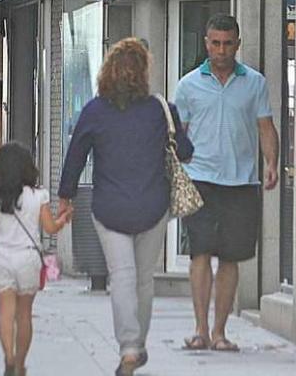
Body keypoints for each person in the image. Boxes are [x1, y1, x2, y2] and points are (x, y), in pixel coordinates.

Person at [57, 38, 194, 376]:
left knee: (121, 277)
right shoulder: (160, 109)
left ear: (108, 71)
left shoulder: (94, 111)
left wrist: (65, 197)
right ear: (144, 72)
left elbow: (74, 157)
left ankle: (129, 347)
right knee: (143, 280)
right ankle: (139, 344)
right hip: (153, 206)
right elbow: (186, 151)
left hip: (109, 208)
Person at [174, 14, 279, 352]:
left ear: (237, 44)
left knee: (231, 257)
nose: (221, 50)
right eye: (215, 43)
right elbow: (179, 136)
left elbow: (265, 127)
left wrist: (272, 163)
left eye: (227, 43)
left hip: (241, 182)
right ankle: (201, 330)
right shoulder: (188, 85)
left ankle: (220, 332)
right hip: (199, 179)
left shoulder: (255, 83)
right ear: (206, 44)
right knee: (200, 253)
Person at [0, 142, 72, 376]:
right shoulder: (38, 196)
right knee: (24, 314)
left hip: (1, 258)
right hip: (28, 258)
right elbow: (49, 227)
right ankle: (20, 364)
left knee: (5, 312)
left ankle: (8, 356)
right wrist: (64, 219)